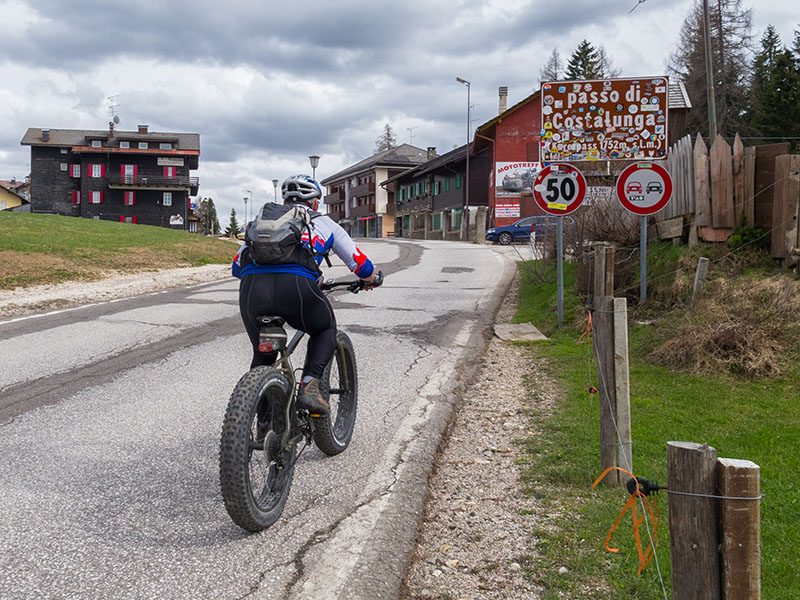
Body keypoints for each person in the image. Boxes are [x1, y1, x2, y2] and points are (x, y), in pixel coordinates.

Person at [232, 174, 379, 415]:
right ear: (314, 202)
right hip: (298, 288)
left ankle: (259, 422)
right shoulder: (324, 223)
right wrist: (370, 279)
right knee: (324, 328)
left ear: (285, 200)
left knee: (262, 353)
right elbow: (361, 265)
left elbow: (237, 268)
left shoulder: (264, 223)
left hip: (251, 291)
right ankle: (309, 385)